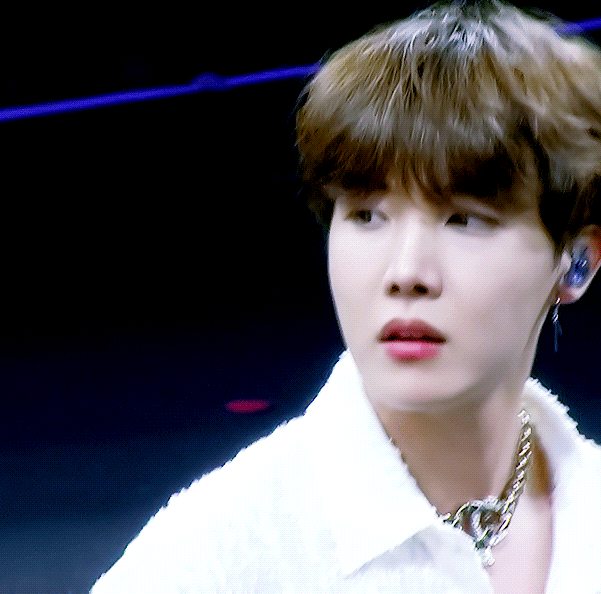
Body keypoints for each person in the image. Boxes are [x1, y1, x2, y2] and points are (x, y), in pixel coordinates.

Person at [91, 1, 601, 592]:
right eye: (366, 215)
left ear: (577, 260)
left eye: (464, 219)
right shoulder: (210, 557)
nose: (406, 273)